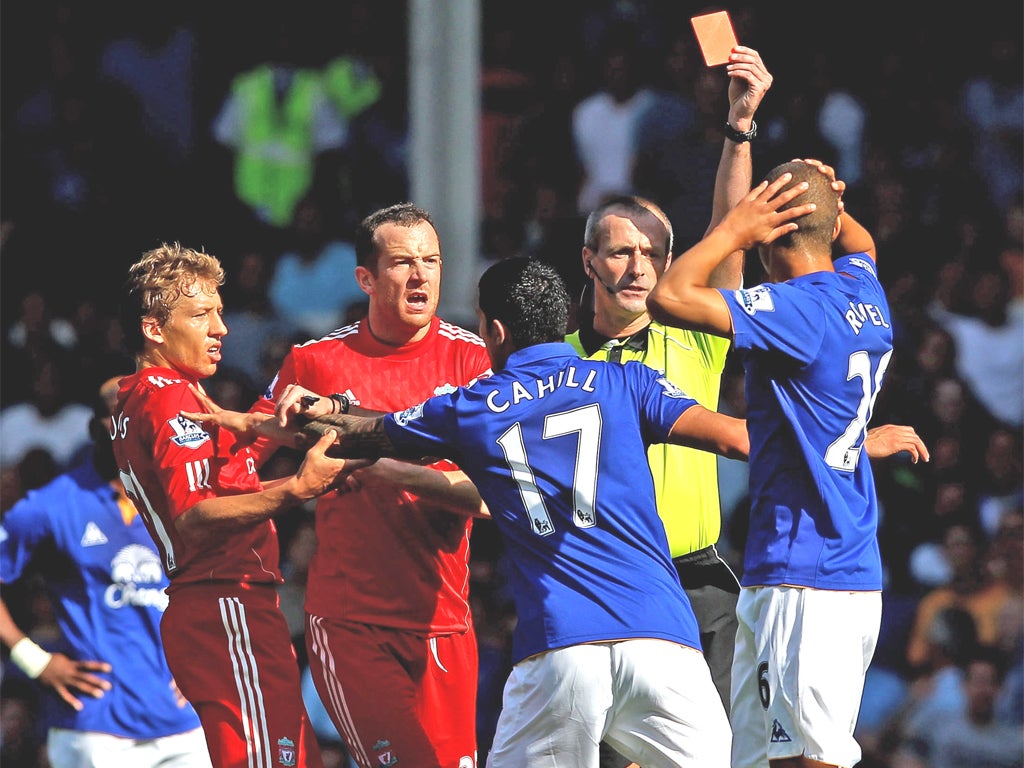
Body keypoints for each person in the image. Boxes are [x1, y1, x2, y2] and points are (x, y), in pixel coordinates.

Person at [184, 256, 745, 767]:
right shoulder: (627, 380)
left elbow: (366, 431)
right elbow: (736, 441)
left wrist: (319, 408)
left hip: (560, 649)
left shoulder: (475, 407)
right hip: (664, 641)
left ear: (495, 332)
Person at [647, 160, 916, 768]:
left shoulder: (795, 311)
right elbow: (862, 241)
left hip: (804, 573)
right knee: (760, 757)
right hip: (833, 563)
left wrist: (735, 229)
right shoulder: (864, 292)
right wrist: (828, 206)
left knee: (803, 761)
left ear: (771, 236)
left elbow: (670, 295)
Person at [243, 203, 492, 768]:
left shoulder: (474, 360)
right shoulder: (315, 360)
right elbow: (247, 453)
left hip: (446, 624)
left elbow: (498, 488)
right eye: (403, 262)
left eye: (431, 260)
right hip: (350, 623)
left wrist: (367, 443)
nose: (421, 275)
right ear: (366, 278)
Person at [569, 46, 772, 729]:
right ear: (589, 260)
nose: (638, 267)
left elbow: (730, 234)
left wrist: (739, 127)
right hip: (604, 585)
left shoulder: (694, 337)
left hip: (700, 586)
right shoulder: (555, 363)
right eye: (621, 250)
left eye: (654, 254)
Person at [111, 242, 350, 768]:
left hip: (213, 608)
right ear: (154, 328)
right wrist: (296, 488)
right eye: (201, 315)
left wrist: (252, 425)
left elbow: (218, 476)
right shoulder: (170, 397)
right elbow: (194, 516)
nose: (220, 328)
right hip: (226, 601)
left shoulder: (139, 396)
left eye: (220, 312)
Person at [0, 374, 211, 767]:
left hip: (186, 721)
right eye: (121, 416)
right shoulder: (50, 505)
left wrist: (211, 664)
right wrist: (34, 659)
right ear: (97, 427)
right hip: (95, 726)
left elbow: (222, 587)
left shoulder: (186, 496)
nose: (133, 427)